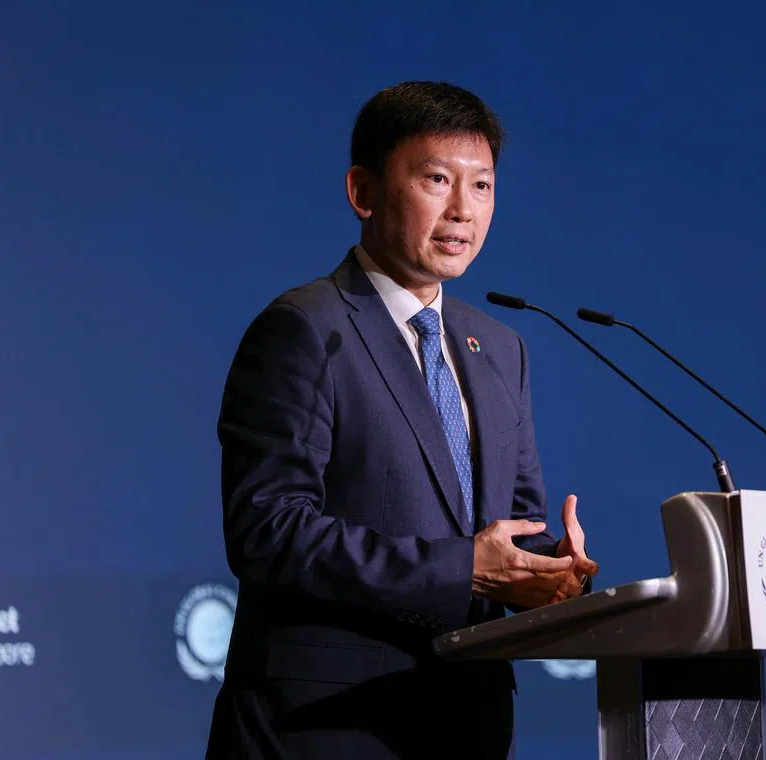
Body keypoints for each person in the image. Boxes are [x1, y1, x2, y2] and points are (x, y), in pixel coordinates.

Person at [204, 81, 599, 759]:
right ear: (363, 192)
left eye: (481, 187)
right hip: (327, 725)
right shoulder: (303, 328)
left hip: (464, 723)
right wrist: (464, 569)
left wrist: (546, 575)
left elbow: (514, 532)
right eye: (437, 179)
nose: (462, 211)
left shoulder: (501, 348)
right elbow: (266, 530)